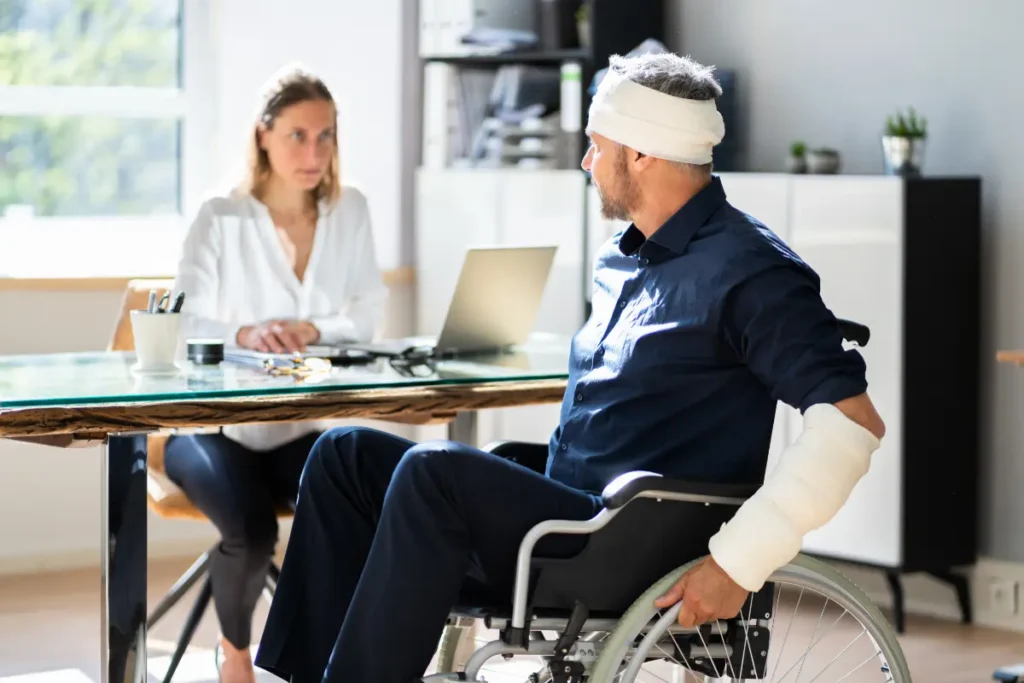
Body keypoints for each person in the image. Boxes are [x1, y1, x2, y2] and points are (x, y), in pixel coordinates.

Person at [253, 53, 886, 683]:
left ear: (641, 152)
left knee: (430, 471)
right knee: (341, 456)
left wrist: (737, 564)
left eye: (596, 145)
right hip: (570, 514)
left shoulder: (751, 271)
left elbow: (851, 429)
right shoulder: (622, 256)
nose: (586, 162)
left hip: (627, 539)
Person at [166, 64, 386, 683]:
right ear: (263, 135)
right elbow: (182, 322)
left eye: (326, 136)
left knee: (361, 494)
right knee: (252, 531)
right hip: (210, 433)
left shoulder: (351, 210)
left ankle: (327, 657)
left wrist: (310, 330)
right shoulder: (221, 216)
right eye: (297, 135)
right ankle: (235, 655)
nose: (313, 152)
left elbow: (366, 316)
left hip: (297, 427)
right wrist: (243, 333)